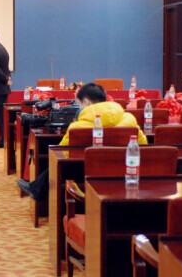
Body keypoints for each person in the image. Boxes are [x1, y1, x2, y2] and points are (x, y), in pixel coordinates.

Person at [17, 82, 147, 201]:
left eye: (79, 104)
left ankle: (38, 191)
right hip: (125, 175)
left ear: (87, 102)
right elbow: (143, 145)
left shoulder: (77, 127)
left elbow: (60, 153)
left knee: (62, 165)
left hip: (87, 177)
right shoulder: (130, 119)